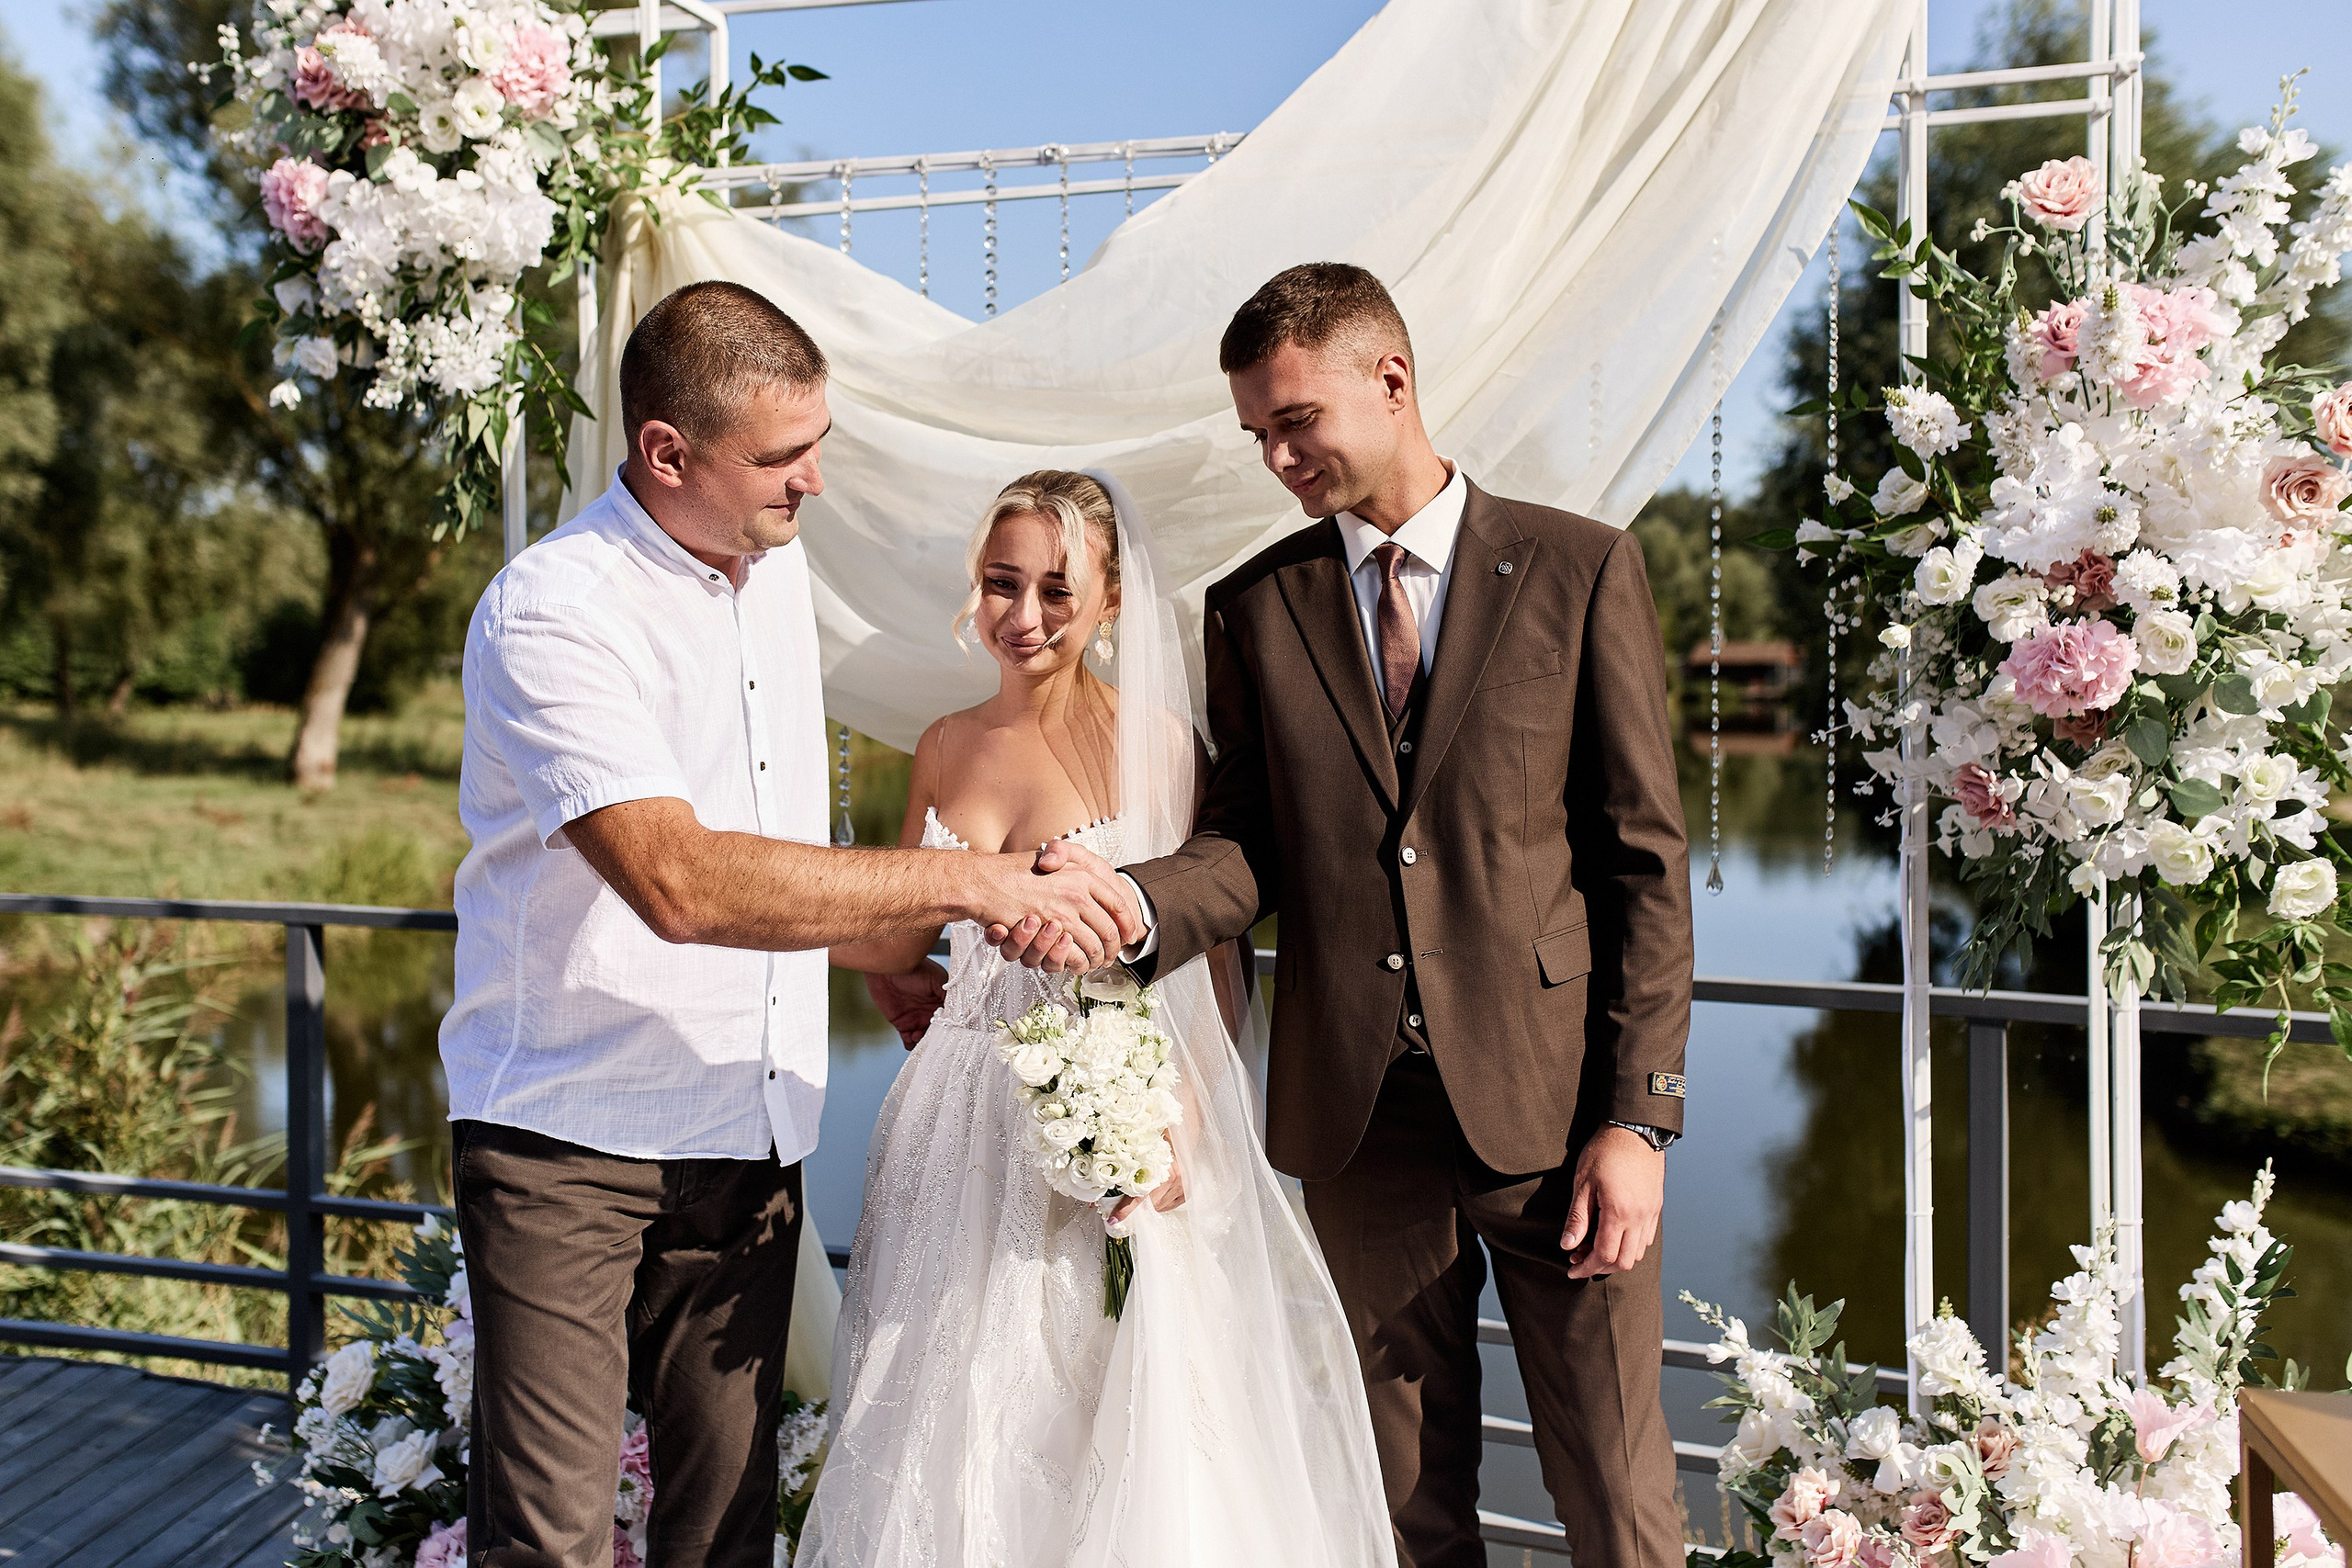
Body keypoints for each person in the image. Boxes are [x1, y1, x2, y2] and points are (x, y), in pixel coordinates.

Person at [440, 281, 1138, 1568]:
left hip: (748, 1128)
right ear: (667, 452)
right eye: (782, 454)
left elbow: (776, 826)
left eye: (816, 443)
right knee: (548, 1540)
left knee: (724, 1535)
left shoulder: (775, 569)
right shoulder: (555, 610)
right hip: (566, 1138)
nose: (813, 480)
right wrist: (964, 884)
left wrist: (874, 955)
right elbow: (682, 878)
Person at [1020, 263, 1694, 1568]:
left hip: (1555, 1122)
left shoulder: (1579, 568)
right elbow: (1252, 849)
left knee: (1618, 1498)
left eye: (1295, 421)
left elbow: (1644, 867)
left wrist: (1638, 1116)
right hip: (1357, 1124)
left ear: (1392, 380)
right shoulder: (1257, 605)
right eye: (1258, 433)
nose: (1278, 456)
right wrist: (1129, 899)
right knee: (1397, 1507)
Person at [798, 469, 1396, 1568]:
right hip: (949, 1119)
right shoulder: (941, 744)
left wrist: (1188, 1135)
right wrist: (748, 918)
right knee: (938, 1401)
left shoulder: (1159, 749)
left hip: (1100, 1115)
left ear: (1112, 601)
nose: (1022, 619)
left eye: (1056, 592)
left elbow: (1211, 965)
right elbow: (895, 935)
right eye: (1000, 585)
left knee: (1081, 1407)